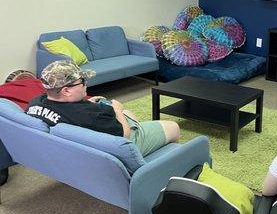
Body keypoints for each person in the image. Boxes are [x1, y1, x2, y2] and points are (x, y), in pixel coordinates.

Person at [26, 60, 180, 157]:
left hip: (84, 142)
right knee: (173, 127)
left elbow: (66, 112)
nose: (86, 85)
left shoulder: (36, 103)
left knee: (129, 113)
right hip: (121, 142)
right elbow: (124, 136)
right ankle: (167, 158)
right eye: (82, 82)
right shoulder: (91, 116)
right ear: (66, 90)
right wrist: (117, 110)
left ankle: (141, 129)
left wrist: (87, 103)